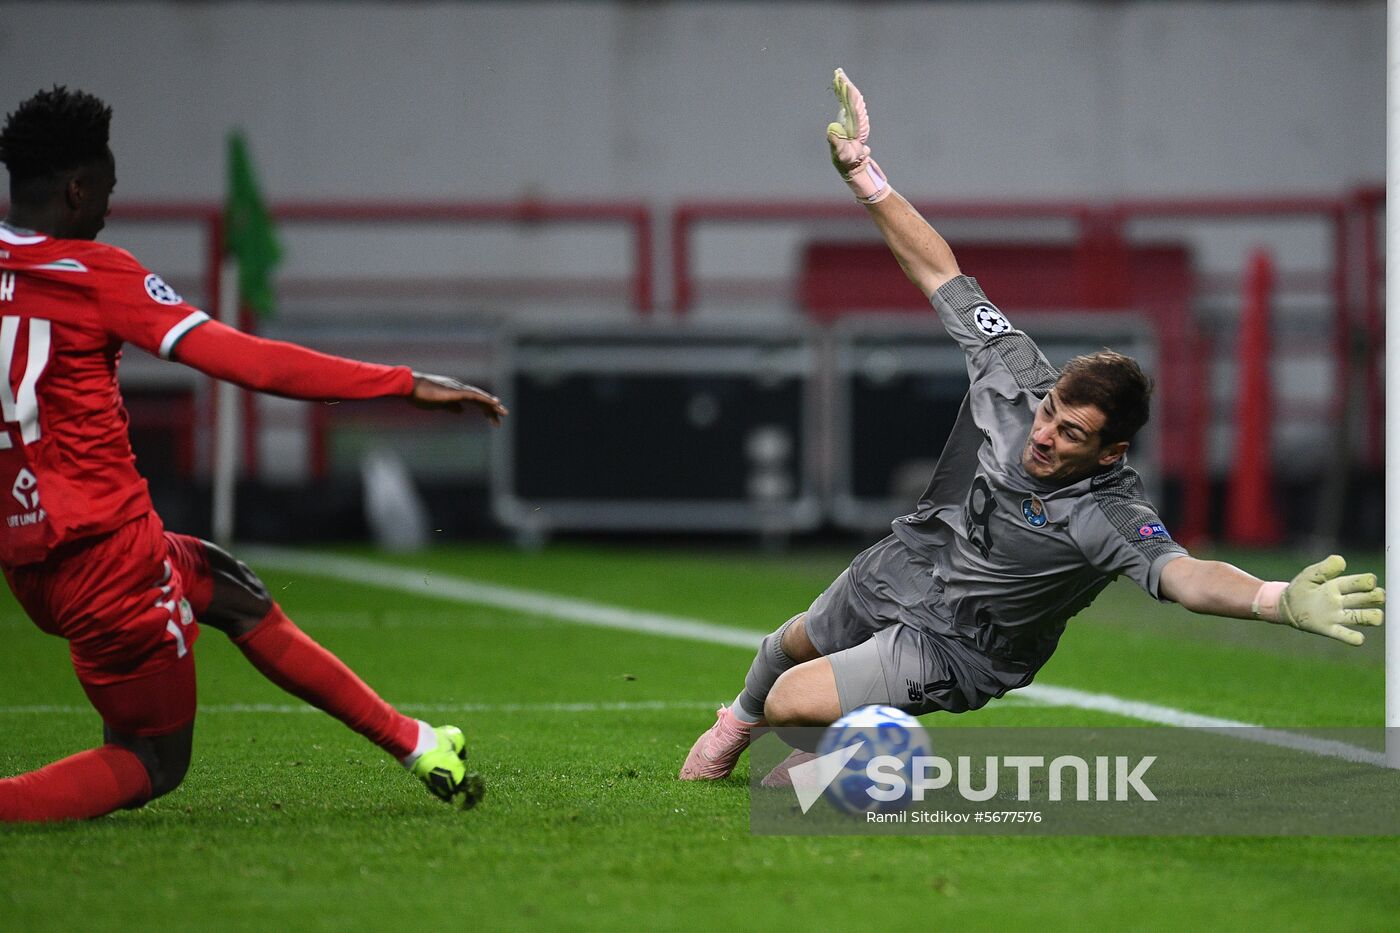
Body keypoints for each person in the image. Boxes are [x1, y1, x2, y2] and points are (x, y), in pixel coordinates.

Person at [679, 68, 1386, 782]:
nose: (1044, 434)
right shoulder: (1016, 373)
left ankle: (849, 751)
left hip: (964, 643)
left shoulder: (1109, 511)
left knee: (795, 703)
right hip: (916, 558)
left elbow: (1186, 575)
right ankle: (734, 724)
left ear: (1112, 450)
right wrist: (865, 177)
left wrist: (1276, 600)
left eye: (1072, 434)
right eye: (1051, 413)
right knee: (785, 649)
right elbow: (940, 273)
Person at [0, 86, 508, 821]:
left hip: (31, 558)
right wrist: (402, 382)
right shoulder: (95, 273)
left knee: (229, 585)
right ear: (77, 189)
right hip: (105, 556)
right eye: (107, 187)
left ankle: (417, 740)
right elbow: (250, 362)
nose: (111, 204)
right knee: (150, 761)